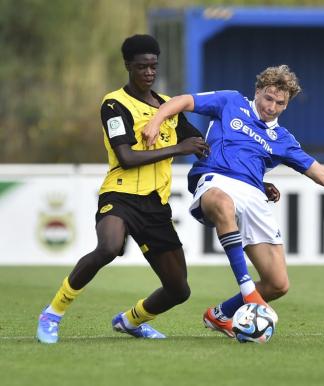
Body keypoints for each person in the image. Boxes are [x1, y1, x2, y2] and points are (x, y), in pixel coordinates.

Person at [143, 64, 324, 339]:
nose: (272, 106)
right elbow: (184, 101)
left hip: (254, 195)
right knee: (221, 201)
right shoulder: (230, 101)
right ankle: (248, 291)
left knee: (278, 284)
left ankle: (220, 314)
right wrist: (156, 120)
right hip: (215, 179)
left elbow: (321, 174)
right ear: (257, 92)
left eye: (280, 103)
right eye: (268, 98)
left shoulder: (283, 140)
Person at [35, 34, 211, 344]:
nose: (149, 73)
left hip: (156, 206)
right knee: (109, 247)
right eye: (142, 66)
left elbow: (201, 146)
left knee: (179, 290)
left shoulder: (168, 107)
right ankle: (52, 313)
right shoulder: (114, 104)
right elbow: (127, 158)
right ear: (128, 65)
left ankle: (131, 321)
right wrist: (178, 149)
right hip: (120, 195)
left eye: (154, 66)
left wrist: (253, 177)